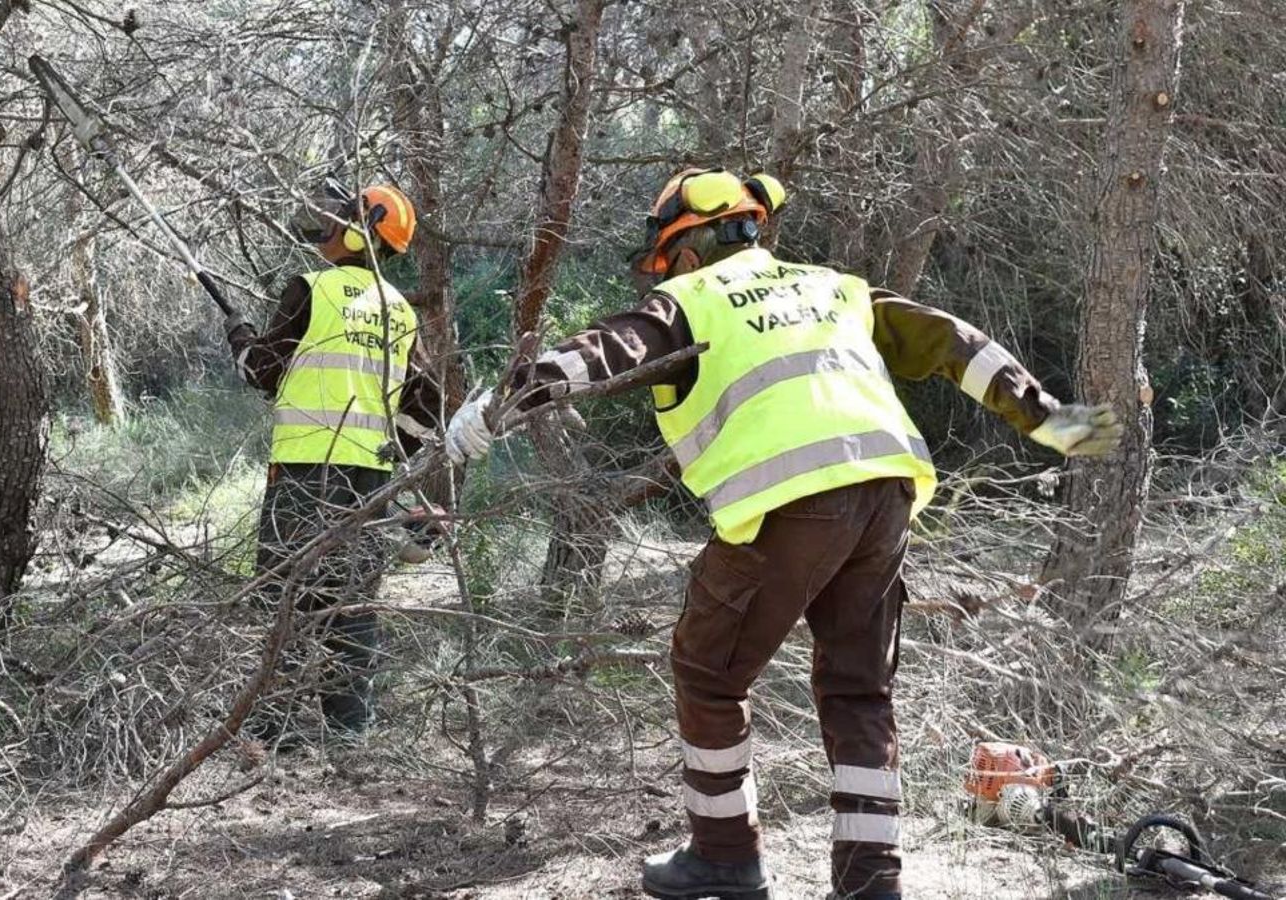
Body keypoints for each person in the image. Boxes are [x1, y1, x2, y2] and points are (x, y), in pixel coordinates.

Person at [444, 167, 1122, 900]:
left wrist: (495, 409)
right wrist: (1043, 414)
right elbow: (953, 339)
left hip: (788, 503)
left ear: (689, 248)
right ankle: (871, 884)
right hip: (885, 492)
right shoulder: (834, 287)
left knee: (708, 673)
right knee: (860, 691)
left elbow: (599, 353)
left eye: (669, 259)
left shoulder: (687, 301)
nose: (667, 273)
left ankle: (727, 857)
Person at [227, 183, 444, 738]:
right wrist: (394, 460)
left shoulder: (310, 289)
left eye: (340, 217)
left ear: (358, 230)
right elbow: (427, 407)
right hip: (369, 480)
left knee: (285, 598)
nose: (327, 223)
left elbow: (260, 371)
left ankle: (273, 729)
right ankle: (350, 730)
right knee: (352, 604)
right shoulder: (401, 312)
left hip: (303, 474)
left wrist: (242, 339)